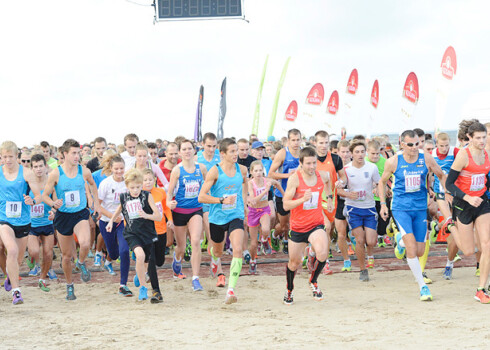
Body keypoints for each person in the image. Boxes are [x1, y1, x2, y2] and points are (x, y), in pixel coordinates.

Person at [378, 130, 445, 301]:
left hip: (420, 208)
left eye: (417, 144)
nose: (415, 148)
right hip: (401, 208)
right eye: (410, 145)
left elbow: (440, 175)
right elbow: (382, 181)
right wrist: (384, 204)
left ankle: (400, 240)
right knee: (412, 249)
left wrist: (443, 194)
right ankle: (422, 286)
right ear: (401, 144)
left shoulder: (426, 158)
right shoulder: (393, 161)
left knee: (420, 250)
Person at [42, 139, 102, 301]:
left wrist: (96, 203)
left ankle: (81, 262)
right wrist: (53, 203)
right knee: (67, 256)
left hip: (80, 213)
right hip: (63, 217)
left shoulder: (84, 171)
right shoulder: (56, 173)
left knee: (84, 243)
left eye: (79, 153)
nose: (77, 156)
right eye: (74, 153)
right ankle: (69, 285)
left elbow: (92, 185)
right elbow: (45, 195)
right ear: (65, 154)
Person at [198, 138, 248, 304]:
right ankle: (214, 259)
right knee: (217, 251)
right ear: (223, 154)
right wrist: (221, 200)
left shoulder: (242, 170)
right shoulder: (215, 171)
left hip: (235, 215)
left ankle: (231, 290)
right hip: (217, 218)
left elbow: (244, 184)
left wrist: (245, 202)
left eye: (237, 151)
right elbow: (201, 197)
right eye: (232, 151)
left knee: (238, 249)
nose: (236, 154)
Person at [445, 120, 490, 303]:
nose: (482, 141)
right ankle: (450, 227)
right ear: (469, 138)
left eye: (484, 137)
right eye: (478, 138)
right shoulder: (463, 156)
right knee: (469, 251)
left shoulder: (487, 154)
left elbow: (485, 178)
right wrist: (467, 197)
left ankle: (481, 289)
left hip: (482, 202)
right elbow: (449, 184)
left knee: (487, 245)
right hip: (463, 204)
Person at [282, 147, 333, 305]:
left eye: (314, 163)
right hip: (298, 227)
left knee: (323, 253)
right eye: (308, 164)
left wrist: (329, 198)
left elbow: (328, 180)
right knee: (294, 263)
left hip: (316, 224)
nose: (312, 167)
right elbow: (285, 205)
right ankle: (289, 289)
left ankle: (313, 281)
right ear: (301, 163)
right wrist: (302, 200)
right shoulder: (295, 179)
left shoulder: (322, 175)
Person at [106, 169, 163, 303]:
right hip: (132, 233)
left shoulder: (146, 196)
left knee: (146, 261)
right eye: (132, 187)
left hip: (147, 233)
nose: (135, 190)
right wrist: (110, 221)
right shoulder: (124, 197)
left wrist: (146, 215)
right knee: (140, 256)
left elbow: (158, 216)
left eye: (138, 187)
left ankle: (140, 273)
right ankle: (143, 287)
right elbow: (119, 208)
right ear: (127, 186)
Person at [0, 141, 42, 304]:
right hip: (4, 219)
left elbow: (38, 196)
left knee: (17, 259)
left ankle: (11, 277)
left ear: (16, 156)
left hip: (23, 220)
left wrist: (32, 201)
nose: (8, 160)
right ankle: (17, 292)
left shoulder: (26, 173)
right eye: (4, 157)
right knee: (11, 250)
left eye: (10, 156)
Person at [167, 140, 206, 290]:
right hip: (179, 212)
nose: (187, 151)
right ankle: (177, 260)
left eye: (190, 148)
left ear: (194, 150)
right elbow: (169, 194)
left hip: (196, 209)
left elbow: (209, 184)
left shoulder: (201, 168)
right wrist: (169, 204)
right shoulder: (177, 170)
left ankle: (195, 278)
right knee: (181, 248)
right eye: (184, 149)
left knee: (196, 241)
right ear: (180, 152)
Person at [340, 141, 380, 281]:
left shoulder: (372, 167)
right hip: (353, 208)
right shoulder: (346, 169)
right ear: (352, 154)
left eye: (362, 151)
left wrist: (380, 193)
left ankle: (370, 255)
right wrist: (347, 194)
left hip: (369, 207)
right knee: (360, 239)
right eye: (357, 152)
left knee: (371, 241)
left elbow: (379, 183)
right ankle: (363, 270)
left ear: (366, 153)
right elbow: (338, 189)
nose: (360, 154)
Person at [97, 154, 134, 296]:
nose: (119, 172)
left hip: (123, 222)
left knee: (125, 251)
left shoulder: (127, 182)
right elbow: (98, 206)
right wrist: (112, 217)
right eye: (116, 169)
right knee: (114, 253)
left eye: (122, 169)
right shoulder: (106, 183)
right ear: (111, 169)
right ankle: (108, 260)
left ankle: (123, 285)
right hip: (107, 222)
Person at [26, 154, 57, 292]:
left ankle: (43, 277)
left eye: (40, 166)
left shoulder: (51, 183)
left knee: (48, 253)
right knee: (33, 251)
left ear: (46, 167)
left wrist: (53, 212)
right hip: (32, 224)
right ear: (32, 169)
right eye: (35, 167)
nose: (38, 169)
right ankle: (35, 262)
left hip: (47, 223)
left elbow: (55, 203)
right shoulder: (28, 184)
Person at [247, 160, 283, 273]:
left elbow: (277, 183)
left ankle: (264, 240)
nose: (258, 173)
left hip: (264, 209)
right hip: (253, 212)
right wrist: (265, 191)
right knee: (253, 243)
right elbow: (253, 200)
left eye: (260, 170)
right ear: (251, 172)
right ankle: (253, 261)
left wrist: (284, 194)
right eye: (256, 171)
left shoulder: (266, 180)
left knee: (266, 229)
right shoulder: (250, 183)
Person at [269, 129, 302, 254]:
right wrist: (288, 175)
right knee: (283, 226)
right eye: (293, 140)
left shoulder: (303, 153)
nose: (295, 143)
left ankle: (290, 243)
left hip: (298, 194)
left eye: (298, 140)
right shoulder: (283, 153)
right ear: (288, 141)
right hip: (282, 194)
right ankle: (275, 235)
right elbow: (271, 174)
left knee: (295, 223)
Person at [196, 133, 221, 253]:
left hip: (218, 197)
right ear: (202, 144)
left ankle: (214, 257)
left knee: (217, 233)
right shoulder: (197, 158)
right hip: (203, 197)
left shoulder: (220, 157)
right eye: (209, 146)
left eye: (214, 146)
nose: (212, 149)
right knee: (209, 227)